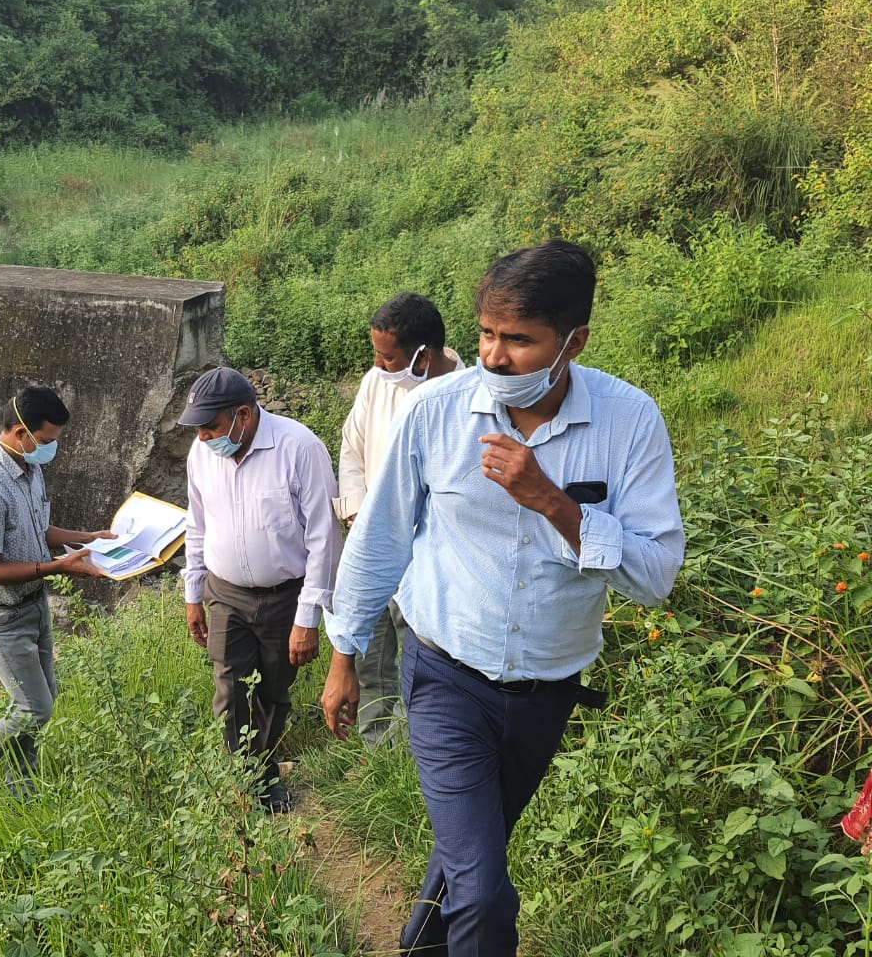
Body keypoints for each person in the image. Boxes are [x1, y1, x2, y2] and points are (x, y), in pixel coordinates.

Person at [320, 240, 685, 956]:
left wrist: (555, 503)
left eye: (519, 340)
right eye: (487, 332)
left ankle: (420, 947)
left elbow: (655, 576)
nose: (493, 355)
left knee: (467, 863)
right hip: (445, 676)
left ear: (573, 341)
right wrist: (345, 652)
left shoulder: (630, 422)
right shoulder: (437, 411)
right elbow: (382, 536)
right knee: (484, 891)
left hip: (546, 691)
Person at [181, 367, 342, 813]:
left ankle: (266, 774)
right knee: (230, 688)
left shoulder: (299, 448)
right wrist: (193, 592)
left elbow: (324, 539)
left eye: (211, 428)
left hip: (284, 597)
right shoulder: (202, 456)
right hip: (225, 592)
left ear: (244, 416)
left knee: (273, 689)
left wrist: (307, 619)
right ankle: (242, 779)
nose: (203, 438)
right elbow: (196, 525)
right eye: (198, 429)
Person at [0, 385, 113, 795]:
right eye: (46, 441)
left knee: (42, 701)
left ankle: (21, 790)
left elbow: (41, 530)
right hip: (0, 614)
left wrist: (90, 539)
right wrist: (59, 567)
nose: (51, 450)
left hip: (32, 603)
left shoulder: (29, 468)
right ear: (20, 432)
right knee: (33, 708)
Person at [336, 292, 461, 747]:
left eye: (388, 357)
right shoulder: (377, 383)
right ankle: (373, 751)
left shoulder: (462, 401)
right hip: (373, 543)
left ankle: (412, 758)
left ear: (423, 356)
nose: (378, 364)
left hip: (425, 559)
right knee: (371, 655)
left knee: (419, 663)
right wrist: (356, 507)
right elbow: (352, 447)